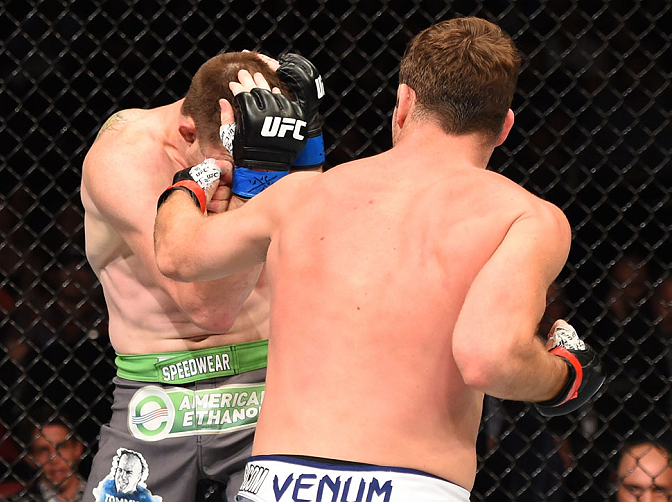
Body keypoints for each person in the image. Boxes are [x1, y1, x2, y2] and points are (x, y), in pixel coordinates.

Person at [153, 17, 604, 501]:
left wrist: (200, 174)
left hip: (278, 484)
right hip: (411, 486)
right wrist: (565, 377)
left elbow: (179, 254)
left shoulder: (304, 195)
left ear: (404, 103)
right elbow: (489, 357)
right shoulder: (525, 216)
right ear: (505, 126)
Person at [80, 50, 324, 502]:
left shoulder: (273, 139)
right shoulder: (125, 158)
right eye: (232, 166)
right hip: (155, 396)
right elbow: (209, 307)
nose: (239, 179)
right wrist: (259, 181)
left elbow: (309, 239)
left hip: (265, 390)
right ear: (187, 132)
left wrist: (306, 153)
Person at [15, 409, 86, 502]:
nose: (54, 459)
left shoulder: (106, 495)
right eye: (43, 450)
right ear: (30, 458)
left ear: (77, 449)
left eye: (62, 447)